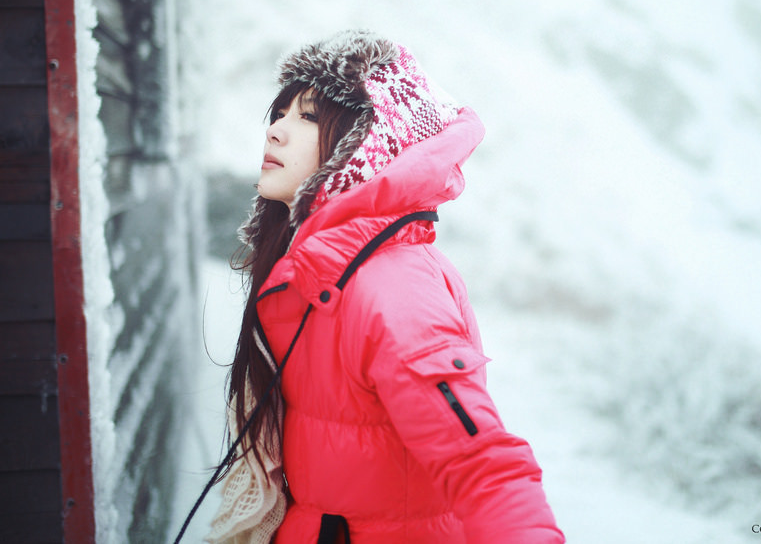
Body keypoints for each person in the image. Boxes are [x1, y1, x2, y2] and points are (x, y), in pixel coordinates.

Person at [205, 30, 564, 544]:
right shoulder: (314, 273)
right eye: (279, 114)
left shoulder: (391, 286)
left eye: (308, 117)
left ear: (366, 146)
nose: (276, 131)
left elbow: (481, 461)